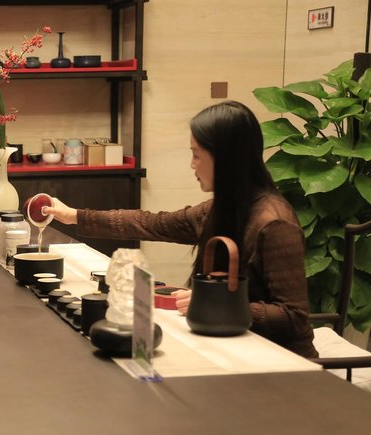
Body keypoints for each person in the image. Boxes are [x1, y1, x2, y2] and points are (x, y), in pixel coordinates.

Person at [44, 100, 317, 357]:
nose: (192, 164)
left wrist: (214, 304)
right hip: (230, 348)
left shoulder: (274, 223)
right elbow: (150, 223)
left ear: (225, 159)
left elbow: (293, 317)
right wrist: (74, 216)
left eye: (197, 155)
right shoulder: (222, 208)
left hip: (282, 364)